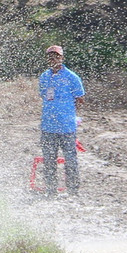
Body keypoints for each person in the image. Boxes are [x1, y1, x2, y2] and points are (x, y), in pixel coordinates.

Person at [38, 45, 85, 197]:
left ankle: (73, 190)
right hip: (48, 126)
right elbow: (43, 95)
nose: (53, 59)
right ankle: (51, 190)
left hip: (66, 127)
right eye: (50, 56)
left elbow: (80, 98)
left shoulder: (72, 77)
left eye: (56, 56)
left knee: (70, 159)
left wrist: (67, 112)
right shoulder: (44, 77)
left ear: (62, 58)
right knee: (49, 159)